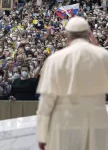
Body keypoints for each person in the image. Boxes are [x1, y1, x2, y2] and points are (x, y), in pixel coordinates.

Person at [36, 17, 108, 150]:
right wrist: (99, 49)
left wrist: (42, 135)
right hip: (98, 122)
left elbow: (46, 101)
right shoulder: (104, 56)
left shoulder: (54, 59)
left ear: (68, 36)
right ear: (89, 34)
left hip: (66, 122)